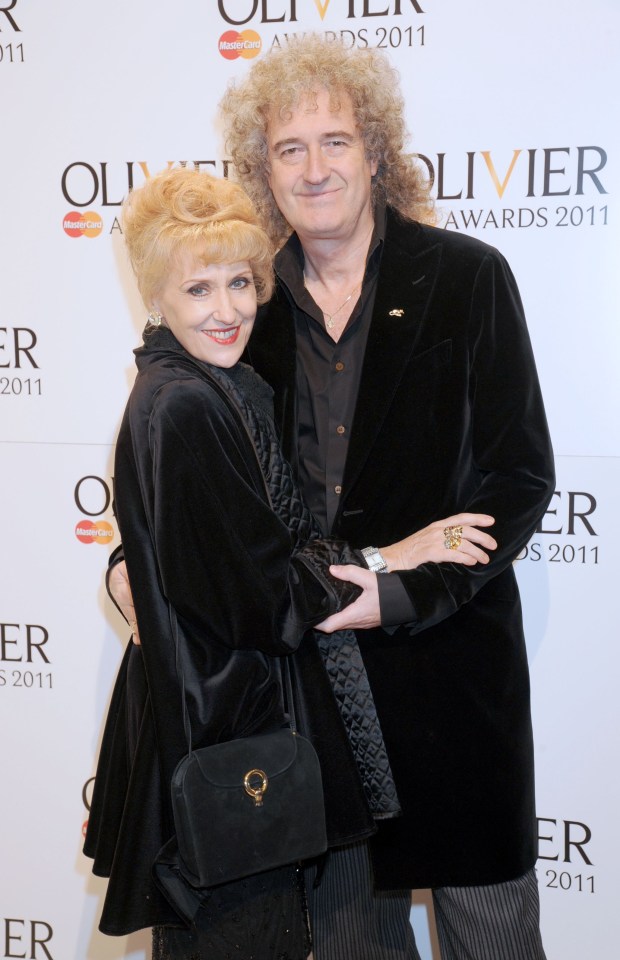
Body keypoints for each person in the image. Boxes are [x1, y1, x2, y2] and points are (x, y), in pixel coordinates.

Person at [111, 35, 555, 960]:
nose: (314, 170)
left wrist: (399, 591)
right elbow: (201, 482)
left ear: (376, 150)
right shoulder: (242, 305)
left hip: (455, 686)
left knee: (497, 942)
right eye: (288, 148)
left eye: (335, 141)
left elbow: (518, 479)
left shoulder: (467, 278)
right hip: (315, 704)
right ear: (261, 169)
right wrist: (133, 566)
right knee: (356, 947)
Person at [83, 167, 381, 960]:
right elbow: (268, 602)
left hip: (219, 732)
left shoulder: (211, 388)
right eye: (198, 290)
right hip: (227, 744)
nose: (227, 311)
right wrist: (394, 555)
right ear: (157, 299)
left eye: (240, 282)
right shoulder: (185, 404)